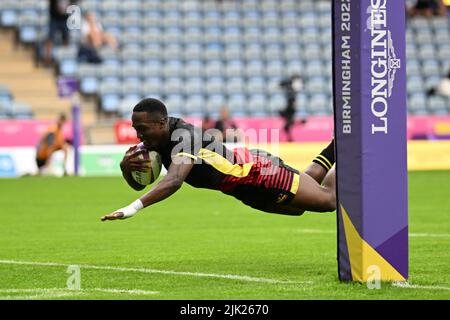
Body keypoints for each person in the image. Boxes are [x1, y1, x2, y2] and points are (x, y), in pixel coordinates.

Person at [101, 98, 336, 221]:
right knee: (299, 208)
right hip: (243, 190)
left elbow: (174, 181)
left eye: (142, 128)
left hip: (260, 173)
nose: (138, 135)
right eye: (135, 129)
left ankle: (352, 154)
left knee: (328, 201)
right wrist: (125, 168)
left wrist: (133, 208)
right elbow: (141, 183)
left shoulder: (185, 136)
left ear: (161, 123)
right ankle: (336, 146)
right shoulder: (152, 143)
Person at [279, 74, 305, 142]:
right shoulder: (291, 89)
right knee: (288, 125)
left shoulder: (292, 90)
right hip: (290, 108)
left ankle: (290, 139)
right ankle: (290, 138)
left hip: (291, 108)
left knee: (288, 125)